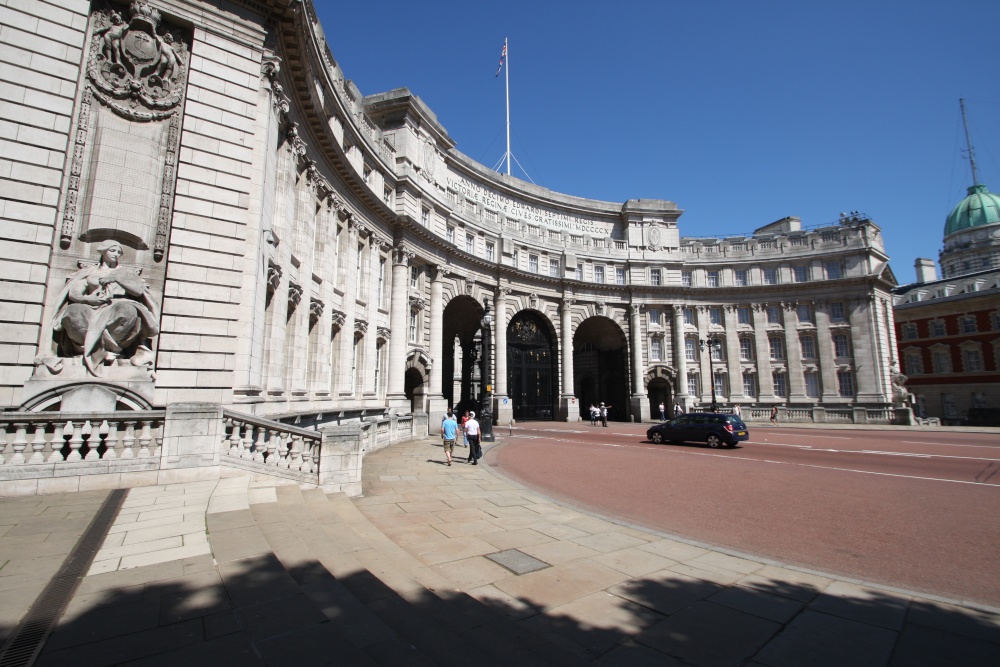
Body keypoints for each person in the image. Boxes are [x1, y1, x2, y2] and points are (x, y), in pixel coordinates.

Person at [52, 240, 159, 376]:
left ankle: (112, 350)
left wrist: (117, 279)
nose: (116, 254)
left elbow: (138, 291)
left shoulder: (125, 273)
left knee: (127, 310)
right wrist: (89, 299)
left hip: (117, 305)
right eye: (113, 250)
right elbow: (74, 293)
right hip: (92, 306)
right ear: (103, 251)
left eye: (119, 252)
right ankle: (95, 350)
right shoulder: (90, 272)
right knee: (72, 312)